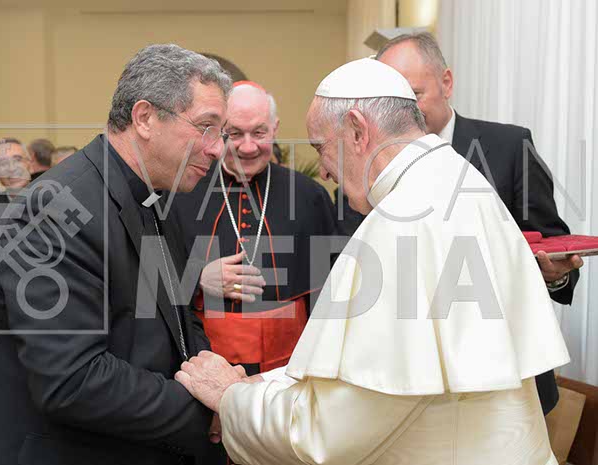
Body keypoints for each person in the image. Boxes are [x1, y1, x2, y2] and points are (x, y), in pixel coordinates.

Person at [175, 58, 569, 465]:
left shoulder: (401, 224)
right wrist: (264, 383)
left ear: (358, 131)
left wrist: (232, 397)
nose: (324, 171)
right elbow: (373, 378)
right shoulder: (458, 180)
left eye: (321, 148)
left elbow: (326, 434)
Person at [0, 44, 233, 465]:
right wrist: (211, 410)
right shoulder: (53, 210)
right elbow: (73, 380)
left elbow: (180, 320)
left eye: (221, 133)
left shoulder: (158, 196)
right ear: (145, 118)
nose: (218, 148)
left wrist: (213, 382)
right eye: (206, 127)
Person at [334, 32, 582, 414]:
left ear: (446, 83)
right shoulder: (362, 168)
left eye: (414, 95)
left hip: (507, 380)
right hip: (406, 385)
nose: (404, 112)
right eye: (391, 101)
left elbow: (551, 242)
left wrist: (554, 276)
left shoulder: (510, 147)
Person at [171, 81, 337, 464]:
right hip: (201, 366)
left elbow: (331, 294)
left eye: (259, 133)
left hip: (288, 375)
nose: (248, 146)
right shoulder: (183, 192)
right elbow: (146, 278)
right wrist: (195, 277)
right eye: (234, 134)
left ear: (274, 128)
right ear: (218, 133)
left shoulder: (309, 196)